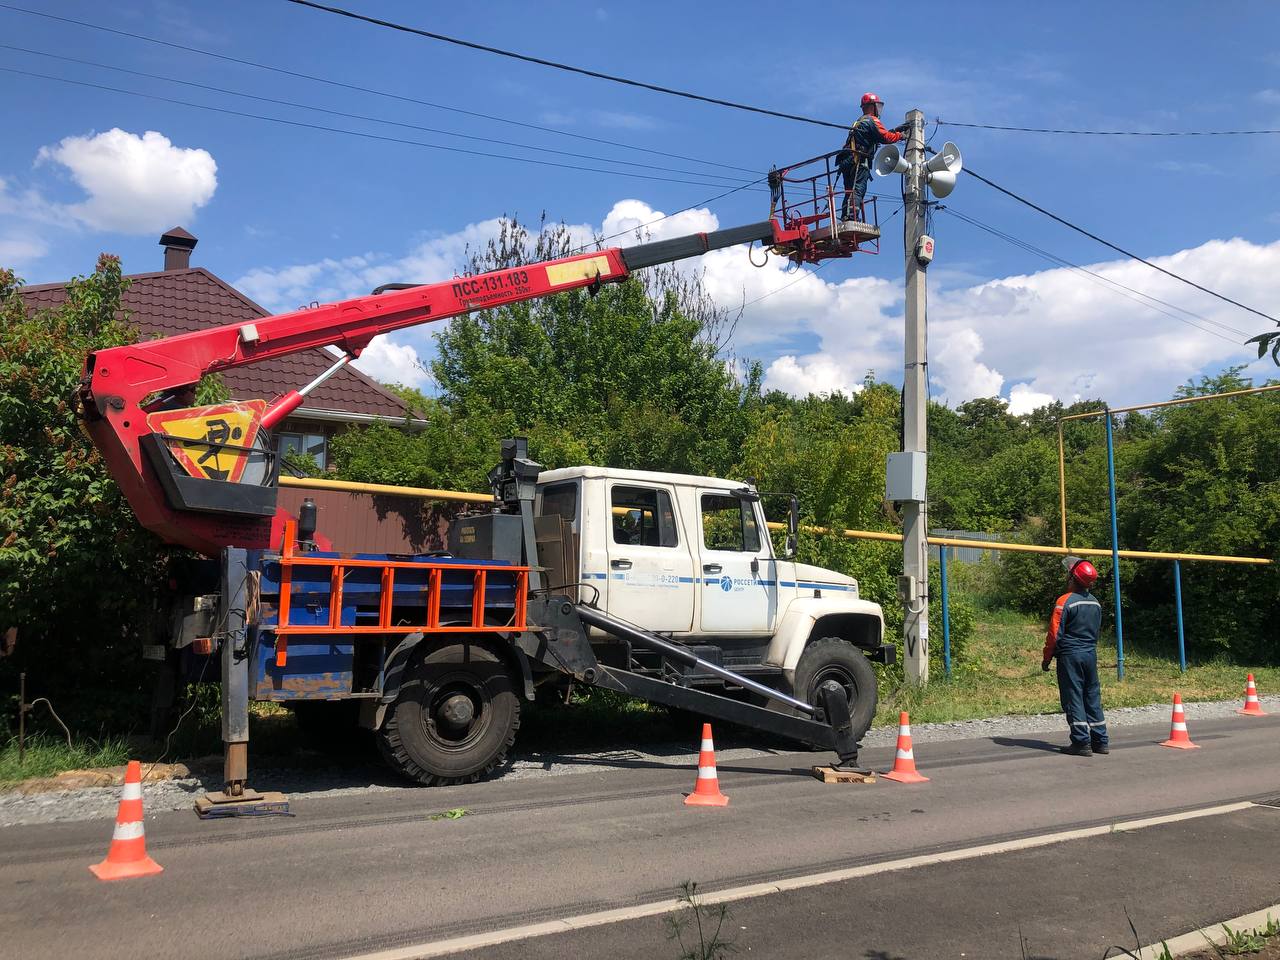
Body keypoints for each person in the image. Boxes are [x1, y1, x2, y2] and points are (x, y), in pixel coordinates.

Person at [1042, 557, 1108, 756]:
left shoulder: (1065, 601)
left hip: (1070, 656)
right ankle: (1101, 741)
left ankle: (1081, 742)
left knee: (1074, 697)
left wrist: (1047, 657)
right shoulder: (1095, 603)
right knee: (1091, 695)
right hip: (1090, 655)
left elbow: (1054, 633)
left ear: (1073, 578)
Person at [837, 93, 908, 222]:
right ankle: (851, 217)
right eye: (877, 106)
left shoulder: (859, 122)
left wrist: (895, 130)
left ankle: (846, 216)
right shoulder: (872, 120)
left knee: (849, 190)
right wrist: (901, 135)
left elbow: (878, 135)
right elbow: (885, 137)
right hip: (858, 160)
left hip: (846, 161)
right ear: (871, 106)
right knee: (858, 189)